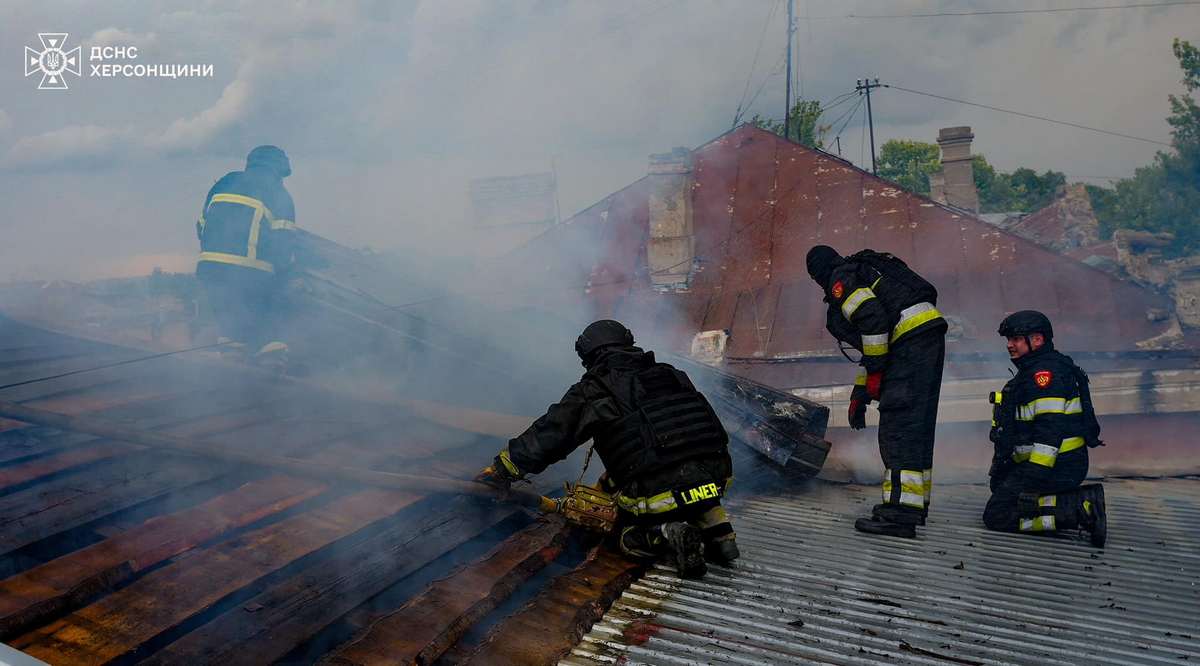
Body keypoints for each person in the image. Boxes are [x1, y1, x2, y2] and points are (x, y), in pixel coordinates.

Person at [474, 320, 737, 579]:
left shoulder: (596, 389)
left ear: (589, 355)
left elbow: (551, 434)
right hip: (716, 477)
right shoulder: (672, 374)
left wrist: (502, 469)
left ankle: (665, 533)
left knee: (620, 535)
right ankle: (720, 534)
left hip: (661, 490)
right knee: (690, 490)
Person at [805, 246, 948, 538]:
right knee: (917, 426)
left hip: (907, 346)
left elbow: (873, 321)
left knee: (899, 427)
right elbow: (874, 346)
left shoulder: (841, 280)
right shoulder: (866, 269)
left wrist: (876, 374)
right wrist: (862, 390)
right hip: (926, 341)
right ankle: (915, 504)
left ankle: (899, 514)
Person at [983, 310, 1107, 546]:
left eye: (1016, 339)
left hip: (1057, 466)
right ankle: (1078, 502)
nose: (1009, 345)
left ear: (1037, 339)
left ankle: (1082, 511)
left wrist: (1032, 482)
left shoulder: (1044, 375)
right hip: (1054, 464)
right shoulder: (1036, 369)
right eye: (1008, 340)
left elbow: (1049, 433)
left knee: (997, 516)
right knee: (1001, 491)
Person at [195, 145, 297, 363]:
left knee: (232, 328)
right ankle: (271, 356)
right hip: (249, 272)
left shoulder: (225, 182)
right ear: (278, 170)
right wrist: (285, 273)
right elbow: (283, 246)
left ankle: (234, 361)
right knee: (271, 322)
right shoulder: (279, 194)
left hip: (209, 269)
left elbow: (201, 225)